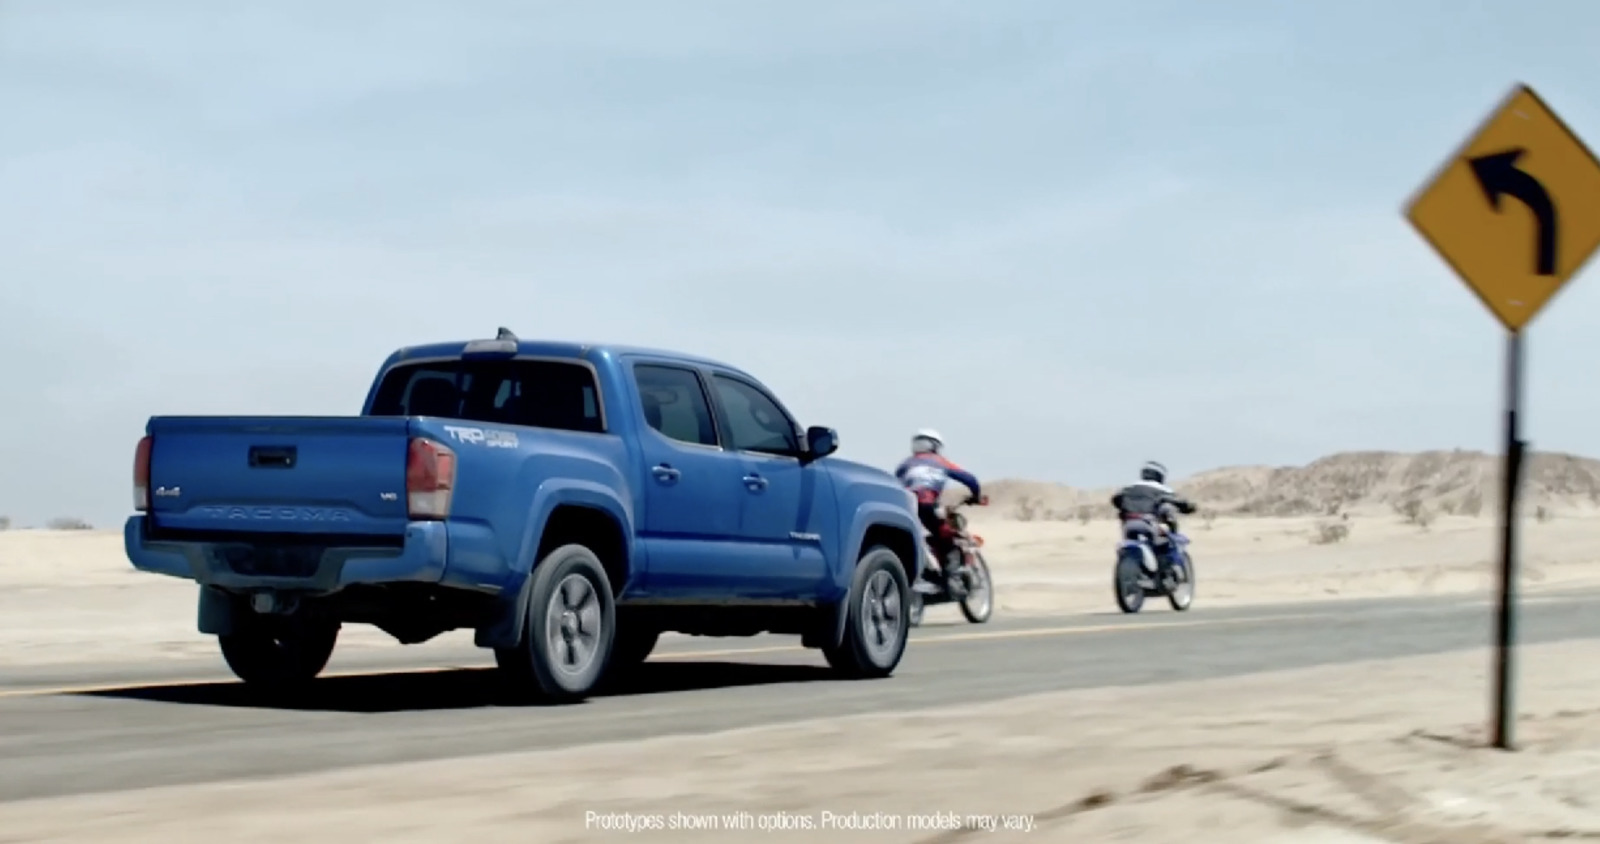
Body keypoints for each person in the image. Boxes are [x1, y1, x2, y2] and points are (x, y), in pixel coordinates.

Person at [895, 429, 984, 593]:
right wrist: (976, 496)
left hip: (904, 507)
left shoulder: (905, 464)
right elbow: (970, 480)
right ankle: (952, 580)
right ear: (935, 446)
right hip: (927, 505)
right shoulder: (940, 461)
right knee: (948, 538)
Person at [1110, 461, 1197, 564]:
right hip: (1149, 524)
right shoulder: (1161, 489)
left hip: (1128, 525)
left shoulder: (1128, 488)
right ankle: (1166, 568)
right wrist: (1188, 508)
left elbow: (1116, 500)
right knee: (1165, 544)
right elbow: (1177, 502)